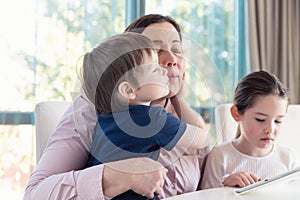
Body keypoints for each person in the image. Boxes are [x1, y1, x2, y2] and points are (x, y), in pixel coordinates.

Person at [24, 14, 209, 200]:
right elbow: (35, 194)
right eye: (156, 51)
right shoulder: (91, 110)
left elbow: (204, 167)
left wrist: (177, 97)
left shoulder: (178, 113)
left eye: (177, 50)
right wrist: (114, 176)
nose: (171, 59)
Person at [82, 32, 208, 199]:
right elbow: (202, 138)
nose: (164, 70)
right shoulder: (153, 119)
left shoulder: (105, 118)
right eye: (155, 69)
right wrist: (176, 96)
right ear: (128, 90)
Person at [200, 70, 296, 189]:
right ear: (236, 113)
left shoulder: (287, 157)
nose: (270, 129)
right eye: (260, 119)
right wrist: (224, 185)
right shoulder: (220, 156)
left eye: (278, 121)